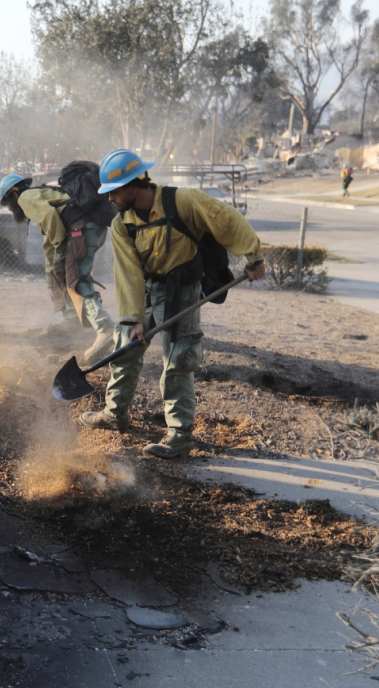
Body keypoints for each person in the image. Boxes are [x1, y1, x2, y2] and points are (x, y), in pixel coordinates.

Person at [79, 148, 267, 459]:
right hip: (147, 289)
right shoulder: (122, 224)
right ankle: (115, 414)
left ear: (133, 186)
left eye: (114, 191)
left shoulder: (183, 201)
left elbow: (227, 220)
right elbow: (128, 273)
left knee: (178, 359)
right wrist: (134, 318)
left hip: (182, 290)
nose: (110, 199)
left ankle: (179, 435)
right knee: (125, 348)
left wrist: (254, 256)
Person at [0, 174, 115, 362]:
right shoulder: (42, 194)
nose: (10, 207)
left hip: (81, 231)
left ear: (14, 194)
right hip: (89, 230)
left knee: (77, 281)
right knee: (66, 278)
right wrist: (50, 282)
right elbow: (49, 245)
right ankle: (74, 324)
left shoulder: (25, 198)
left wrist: (60, 249)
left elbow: (51, 219)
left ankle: (106, 328)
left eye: (8, 202)